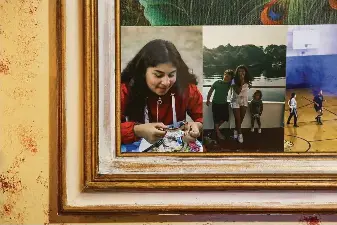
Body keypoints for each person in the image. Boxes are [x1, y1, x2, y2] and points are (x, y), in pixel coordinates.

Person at [120, 39, 203, 152]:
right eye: (158, 75)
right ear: (143, 72)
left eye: (171, 74)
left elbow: (201, 118)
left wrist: (197, 126)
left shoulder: (187, 89)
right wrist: (137, 130)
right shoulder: (125, 90)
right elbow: (106, 129)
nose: (166, 82)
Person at [206, 69, 234, 141]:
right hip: (216, 103)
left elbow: (235, 82)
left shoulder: (229, 84)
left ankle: (216, 129)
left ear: (231, 78)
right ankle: (218, 133)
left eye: (228, 77)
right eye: (225, 75)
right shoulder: (217, 82)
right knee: (216, 119)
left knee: (225, 118)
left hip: (224, 104)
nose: (226, 77)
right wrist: (208, 99)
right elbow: (210, 91)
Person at [229, 65, 253, 143]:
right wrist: (242, 82)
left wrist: (247, 83)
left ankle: (236, 130)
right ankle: (240, 134)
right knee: (238, 118)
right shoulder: (233, 80)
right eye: (239, 71)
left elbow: (248, 87)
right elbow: (238, 91)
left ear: (245, 72)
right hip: (235, 100)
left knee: (241, 118)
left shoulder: (248, 80)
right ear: (237, 72)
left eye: (243, 71)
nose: (241, 73)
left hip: (244, 100)